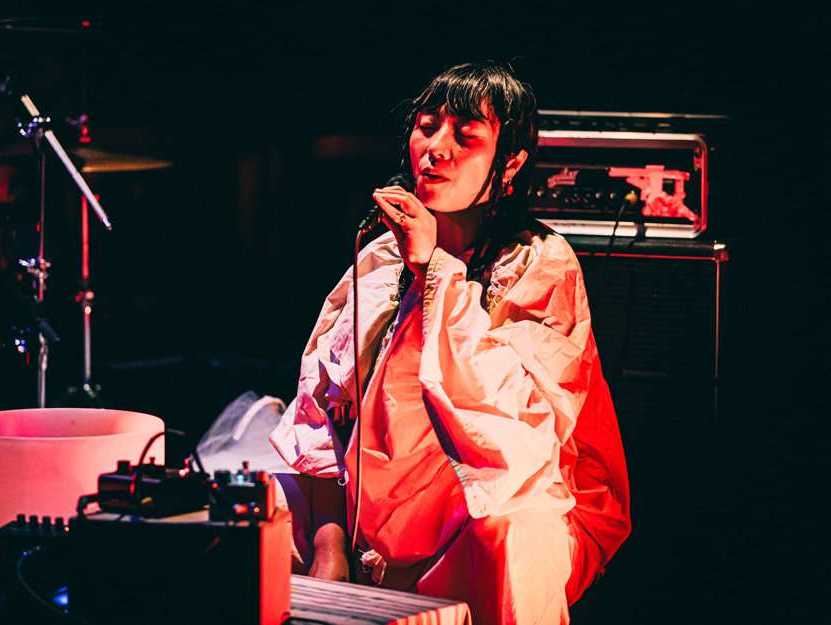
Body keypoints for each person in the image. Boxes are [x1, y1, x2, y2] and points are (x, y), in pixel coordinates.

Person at [270, 61, 630, 625]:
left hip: (490, 505)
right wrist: (329, 548)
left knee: (513, 535)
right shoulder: (379, 259)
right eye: (426, 127)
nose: (436, 148)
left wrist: (434, 272)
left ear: (511, 163)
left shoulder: (539, 264)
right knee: (253, 519)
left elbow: (513, 438)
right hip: (370, 513)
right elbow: (322, 424)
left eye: (465, 135)